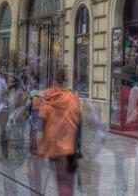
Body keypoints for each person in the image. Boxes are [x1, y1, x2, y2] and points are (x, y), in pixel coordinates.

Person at [32, 67, 82, 196]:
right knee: (66, 181)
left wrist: (39, 151)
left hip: (55, 149)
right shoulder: (73, 98)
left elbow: (40, 130)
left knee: (62, 180)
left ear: (55, 80)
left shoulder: (48, 101)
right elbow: (79, 123)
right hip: (71, 147)